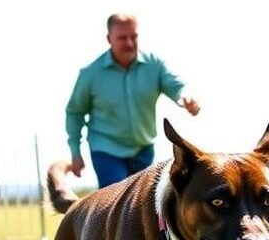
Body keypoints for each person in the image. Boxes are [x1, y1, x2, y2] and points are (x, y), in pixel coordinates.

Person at [65, 13, 200, 187]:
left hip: (143, 149)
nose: (129, 43)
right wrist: (75, 152)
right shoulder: (90, 74)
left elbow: (175, 86)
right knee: (116, 196)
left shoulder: (154, 65)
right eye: (122, 38)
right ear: (109, 39)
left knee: (143, 200)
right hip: (106, 150)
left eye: (134, 37)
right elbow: (74, 113)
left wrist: (185, 98)